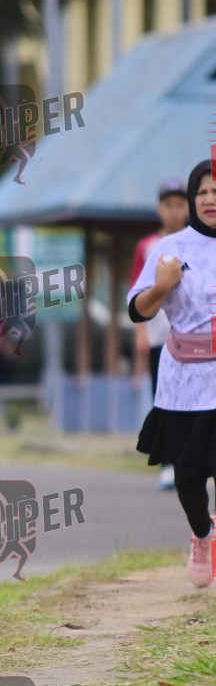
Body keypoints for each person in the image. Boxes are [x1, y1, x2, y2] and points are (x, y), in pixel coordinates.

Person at [128, 160, 216, 588]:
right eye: (202, 192)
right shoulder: (169, 248)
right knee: (187, 475)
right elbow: (136, 310)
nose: (209, 199)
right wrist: (162, 285)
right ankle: (202, 533)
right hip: (183, 380)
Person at [130, 178, 189, 489]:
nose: (174, 211)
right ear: (159, 208)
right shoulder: (147, 247)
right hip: (159, 338)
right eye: (169, 205)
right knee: (162, 397)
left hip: (193, 340)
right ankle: (167, 463)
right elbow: (135, 293)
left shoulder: (198, 244)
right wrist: (140, 332)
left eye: (180, 204)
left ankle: (188, 460)